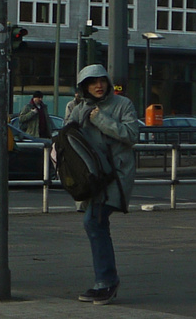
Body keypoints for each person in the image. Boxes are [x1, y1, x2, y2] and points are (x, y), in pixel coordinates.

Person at [65, 63, 138, 305]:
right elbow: (67, 137)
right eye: (92, 82)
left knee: (93, 221)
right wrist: (71, 112)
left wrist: (100, 119)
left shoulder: (122, 105)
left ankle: (106, 281)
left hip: (115, 176)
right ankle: (104, 281)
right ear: (84, 86)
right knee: (96, 224)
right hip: (91, 177)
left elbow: (131, 135)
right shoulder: (80, 107)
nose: (98, 85)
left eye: (102, 81)